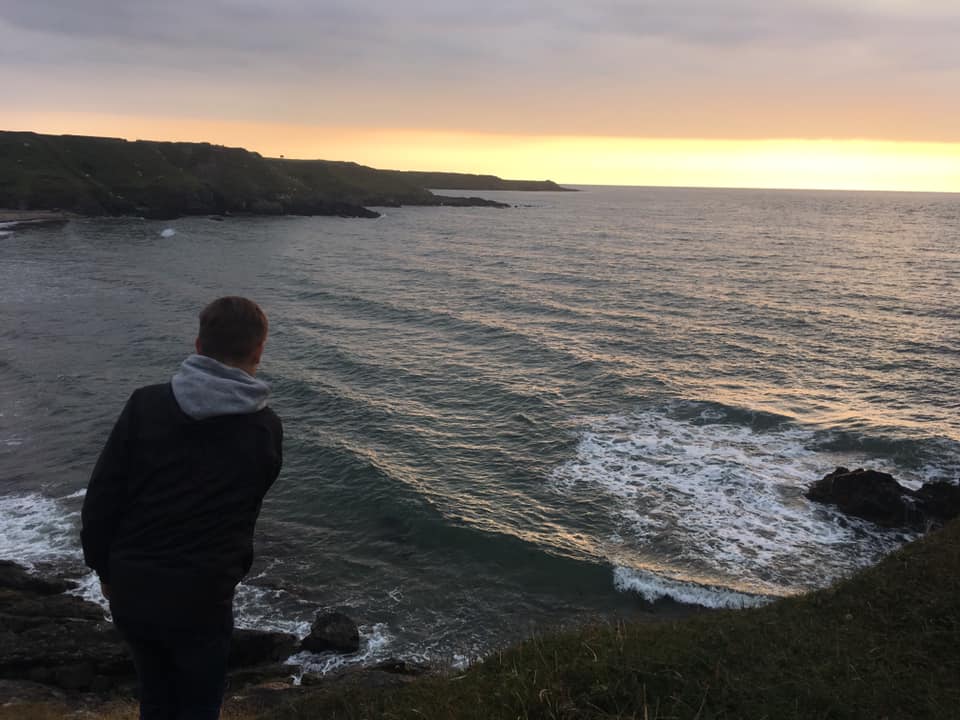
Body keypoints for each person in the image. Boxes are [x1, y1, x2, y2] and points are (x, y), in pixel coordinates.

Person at [81, 296, 283, 720]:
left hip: (133, 585)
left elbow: (101, 499)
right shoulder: (264, 429)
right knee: (199, 706)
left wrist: (104, 570)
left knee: (154, 696)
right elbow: (245, 510)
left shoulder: (145, 405)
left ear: (197, 344)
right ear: (258, 351)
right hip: (203, 594)